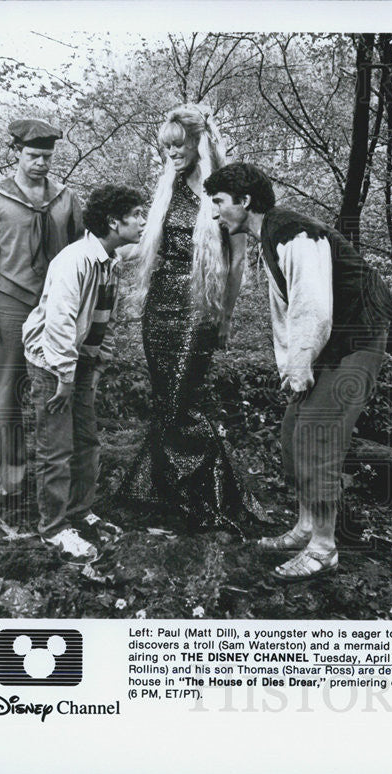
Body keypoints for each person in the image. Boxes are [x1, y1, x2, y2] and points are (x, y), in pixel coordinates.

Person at [204, 161, 392, 582]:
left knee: (317, 434)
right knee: (294, 432)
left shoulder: (292, 230)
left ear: (244, 200)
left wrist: (302, 361)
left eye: (218, 202)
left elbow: (312, 305)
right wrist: (292, 368)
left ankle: (325, 548)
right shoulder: (270, 236)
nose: (215, 212)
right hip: (329, 344)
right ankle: (306, 526)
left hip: (357, 338)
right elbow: (285, 313)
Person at [123, 104, 262, 530]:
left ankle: (211, 493)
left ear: (199, 141)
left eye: (178, 146)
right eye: (166, 148)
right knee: (166, 399)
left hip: (197, 306)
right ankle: (166, 490)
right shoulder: (169, 186)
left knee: (184, 400)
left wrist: (226, 317)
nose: (171, 155)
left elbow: (237, 262)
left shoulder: (222, 189)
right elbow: (152, 246)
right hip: (160, 303)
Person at [0, 119, 84, 526]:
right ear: (16, 152)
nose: (40, 164)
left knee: (56, 388)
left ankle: (54, 482)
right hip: (13, 301)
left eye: (47, 157)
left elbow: (79, 255)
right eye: (33, 156)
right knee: (6, 392)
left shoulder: (65, 198)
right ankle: (4, 481)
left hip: (54, 306)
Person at [22, 185, 146, 562]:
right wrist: (63, 376)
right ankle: (54, 529)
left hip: (77, 362)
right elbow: (59, 323)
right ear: (113, 221)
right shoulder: (74, 260)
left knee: (86, 441)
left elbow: (101, 320)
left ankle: (79, 512)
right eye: (137, 214)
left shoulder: (110, 261)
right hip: (50, 362)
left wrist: (94, 367)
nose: (143, 221)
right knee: (56, 448)